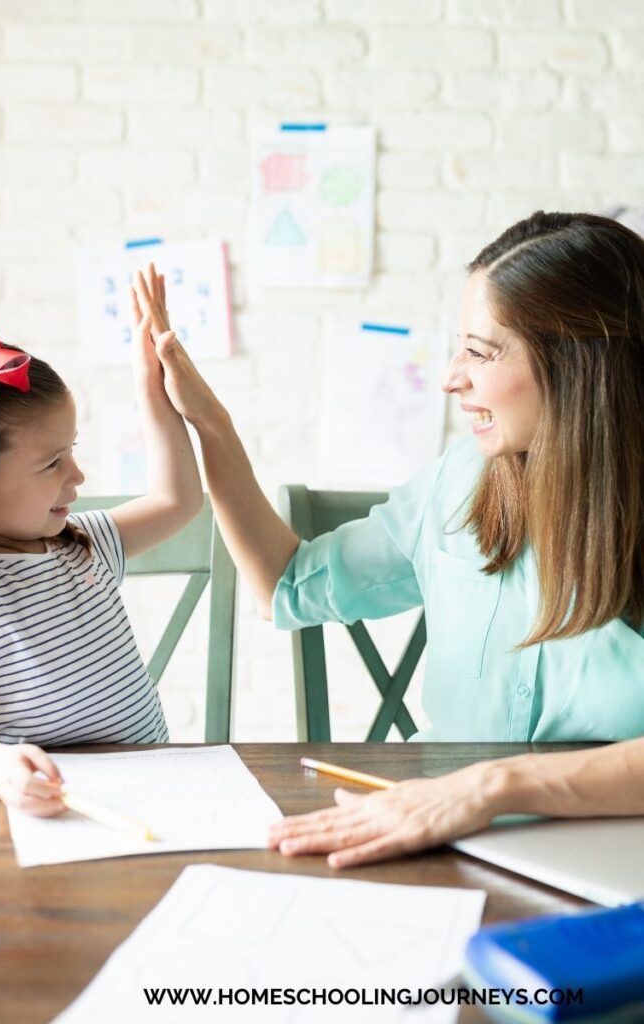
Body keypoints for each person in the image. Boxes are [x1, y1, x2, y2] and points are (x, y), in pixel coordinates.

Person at [134, 210, 644, 868]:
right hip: (442, 842)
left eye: (481, 352)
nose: (451, 377)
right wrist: (209, 422)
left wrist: (492, 786)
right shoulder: (459, 482)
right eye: (458, 345)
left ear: (579, 365)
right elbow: (283, 587)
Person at [0, 268, 202, 817]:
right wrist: (1, 770)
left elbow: (179, 500)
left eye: (71, 448)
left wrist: (152, 382)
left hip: (159, 783)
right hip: (61, 806)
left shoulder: (83, 544)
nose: (78, 475)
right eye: (52, 462)